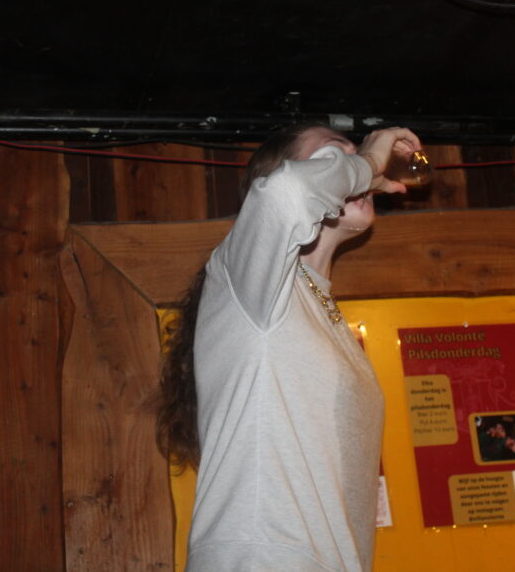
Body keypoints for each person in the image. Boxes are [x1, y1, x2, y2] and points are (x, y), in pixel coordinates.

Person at [158, 123, 422, 571]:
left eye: (351, 159)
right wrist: (369, 162)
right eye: (334, 157)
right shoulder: (248, 278)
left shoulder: (317, 305)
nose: (351, 167)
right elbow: (285, 194)